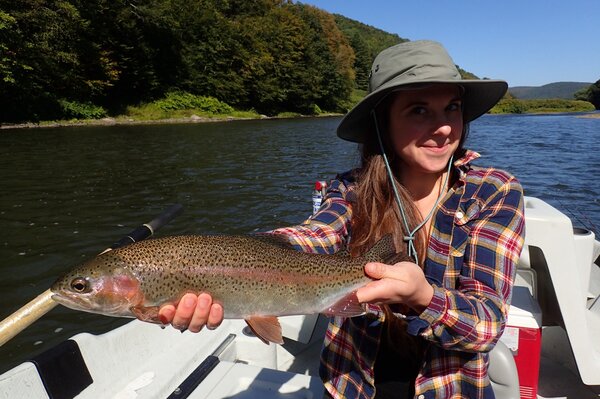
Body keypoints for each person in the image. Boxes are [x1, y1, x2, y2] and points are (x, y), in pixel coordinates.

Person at [158, 40, 526, 399]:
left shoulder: (493, 191)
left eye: (452, 108)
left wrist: (422, 296)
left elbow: (486, 325)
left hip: (449, 388)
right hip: (352, 383)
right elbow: (315, 235)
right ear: (382, 123)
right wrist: (215, 262)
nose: (444, 127)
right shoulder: (349, 189)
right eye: (419, 110)